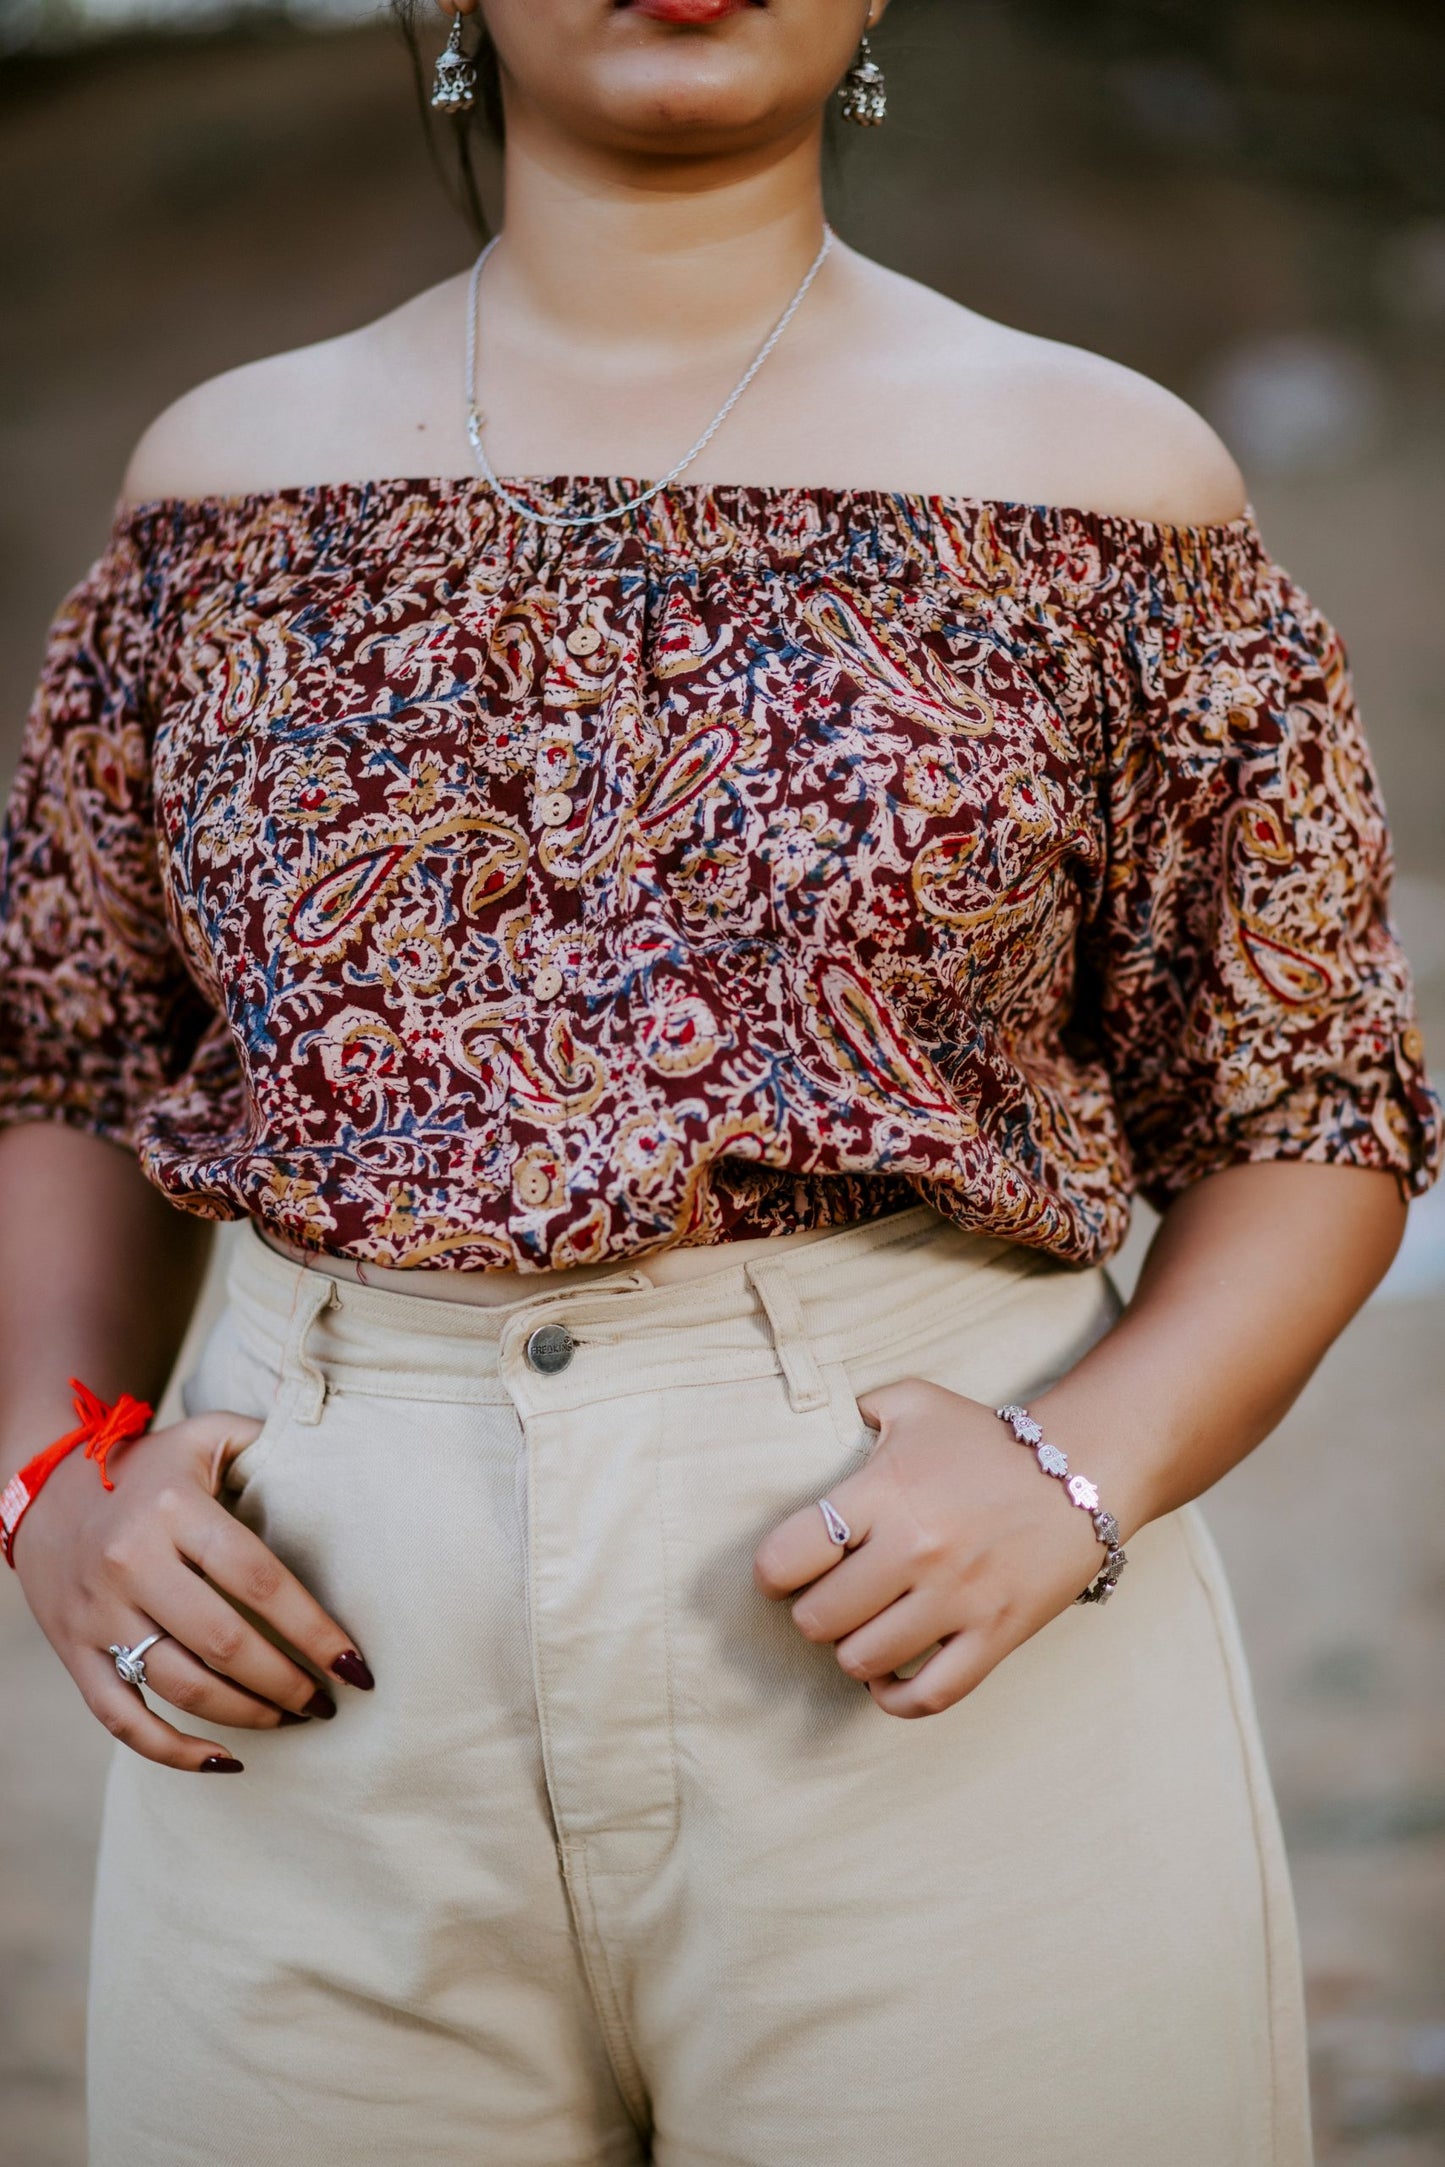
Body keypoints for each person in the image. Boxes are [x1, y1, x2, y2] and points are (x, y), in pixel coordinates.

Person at [0, 1, 1438, 2160]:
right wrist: (44, 1472)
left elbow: (1304, 1105)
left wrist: (1081, 1476)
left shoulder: (1113, 492)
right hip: (307, 1650)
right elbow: (75, 1052)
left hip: (919, 1599)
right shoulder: (222, 495)